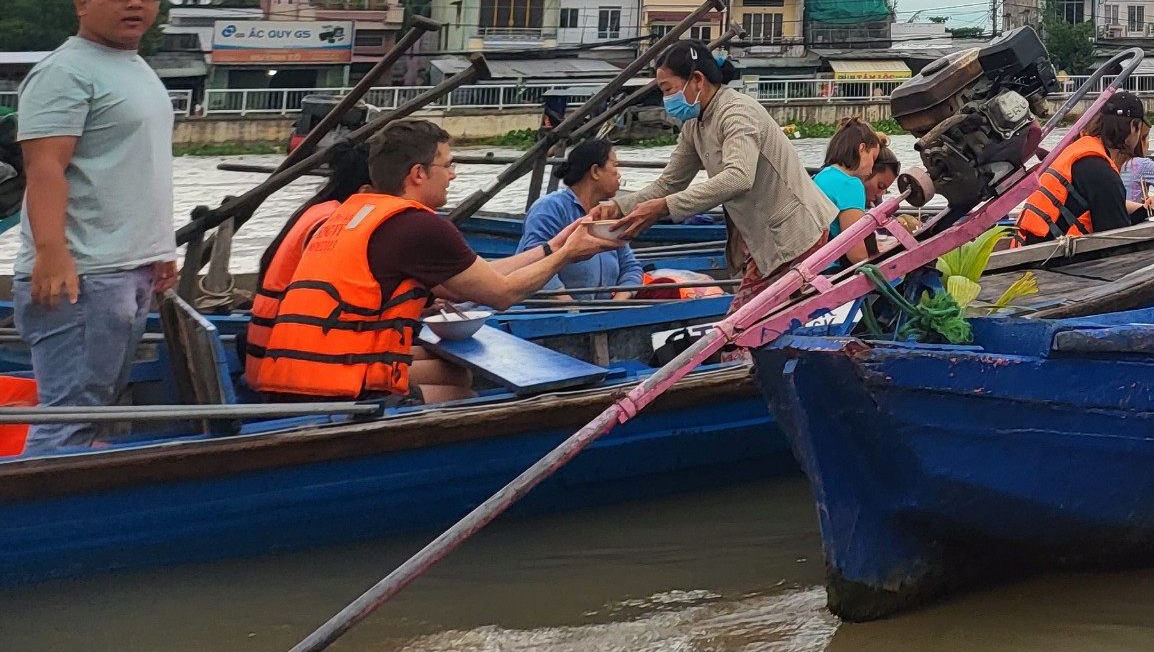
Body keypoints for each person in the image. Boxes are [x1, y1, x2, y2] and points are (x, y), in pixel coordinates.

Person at [244, 118, 616, 402]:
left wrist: (552, 247)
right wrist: (568, 254)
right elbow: (500, 294)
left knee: (455, 373)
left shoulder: (352, 213)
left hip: (293, 373)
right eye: (448, 165)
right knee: (466, 397)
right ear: (418, 173)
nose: (454, 175)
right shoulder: (417, 226)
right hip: (339, 392)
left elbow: (474, 279)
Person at [11, 0, 178, 456]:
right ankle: (34, 524)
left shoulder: (132, 66)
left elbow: (136, 167)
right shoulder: (65, 72)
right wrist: (52, 253)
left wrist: (159, 247)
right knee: (70, 417)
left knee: (95, 410)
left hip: (128, 269)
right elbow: (45, 169)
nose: (136, 3)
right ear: (83, 3)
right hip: (82, 274)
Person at [603, 46, 838, 291]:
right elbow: (669, 184)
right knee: (746, 321)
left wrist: (664, 206)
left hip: (794, 236)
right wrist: (617, 207)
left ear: (696, 80)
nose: (666, 100)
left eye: (668, 89)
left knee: (746, 323)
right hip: (760, 242)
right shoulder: (695, 125)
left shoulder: (736, 112)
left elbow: (738, 177)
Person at [242, 137, 376, 376]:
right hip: (289, 363)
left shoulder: (317, 210)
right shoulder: (333, 226)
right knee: (451, 381)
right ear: (366, 190)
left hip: (270, 351)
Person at [1012, 91, 1149, 242]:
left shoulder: (1078, 150)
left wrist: (1141, 212)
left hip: (1027, 246)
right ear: (1133, 127)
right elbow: (1115, 241)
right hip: (1048, 258)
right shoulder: (1103, 174)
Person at [520, 138, 644, 292]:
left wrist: (620, 300)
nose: (618, 174)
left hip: (604, 309)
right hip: (556, 311)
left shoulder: (607, 213)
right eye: (614, 165)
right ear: (595, 172)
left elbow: (630, 267)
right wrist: (571, 307)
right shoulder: (550, 208)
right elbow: (534, 264)